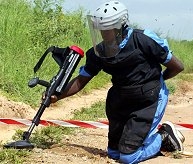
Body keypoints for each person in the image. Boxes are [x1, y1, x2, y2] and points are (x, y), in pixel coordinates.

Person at [46, 0, 185, 163]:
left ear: (121, 26)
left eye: (108, 30)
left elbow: (177, 66)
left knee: (128, 157)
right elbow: (81, 81)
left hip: (148, 101)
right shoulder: (99, 52)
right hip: (120, 102)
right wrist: (56, 96)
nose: (104, 34)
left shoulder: (144, 40)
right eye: (101, 30)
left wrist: (157, 81)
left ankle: (163, 136)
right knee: (113, 153)